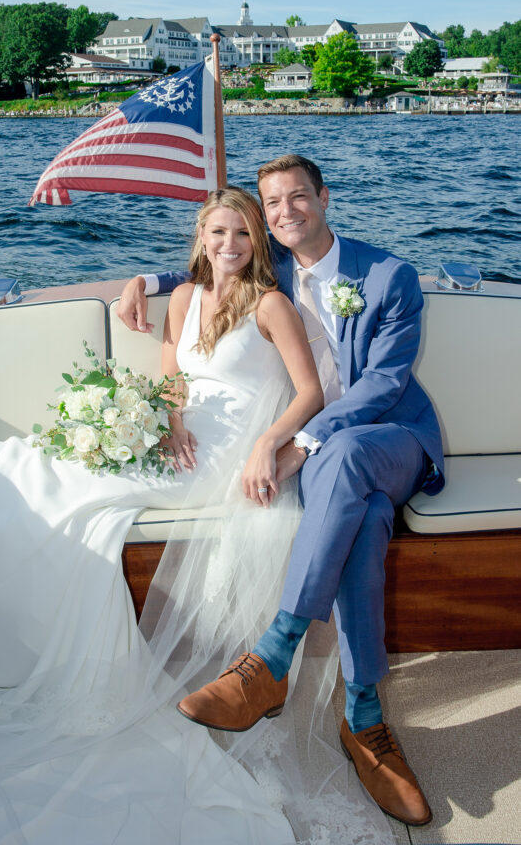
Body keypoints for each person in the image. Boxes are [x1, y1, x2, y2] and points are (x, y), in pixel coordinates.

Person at [0, 188, 395, 845]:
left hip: (225, 457)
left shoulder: (271, 305)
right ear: (201, 236)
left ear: (256, 242)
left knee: (47, 469)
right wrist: (165, 420)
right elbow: (172, 382)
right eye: (218, 233)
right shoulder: (184, 299)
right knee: (37, 457)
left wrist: (263, 446)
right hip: (180, 441)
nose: (229, 246)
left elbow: (306, 393)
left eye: (242, 234)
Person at [117, 155, 445, 827]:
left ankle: (271, 655)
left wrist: (282, 440)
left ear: (323, 198)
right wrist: (143, 280)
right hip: (330, 461)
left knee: (349, 456)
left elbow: (382, 386)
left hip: (389, 437)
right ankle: (363, 717)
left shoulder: (387, 276)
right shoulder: (271, 268)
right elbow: (207, 264)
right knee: (362, 517)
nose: (286, 211)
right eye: (272, 204)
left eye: (299, 197)